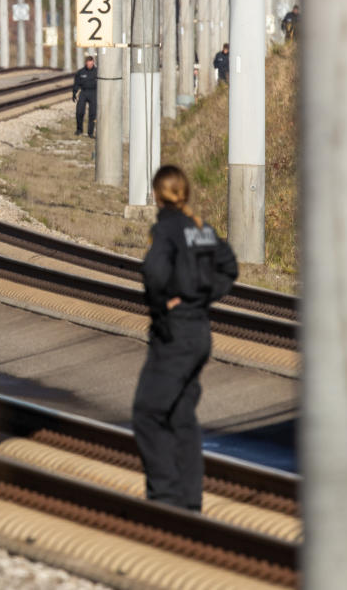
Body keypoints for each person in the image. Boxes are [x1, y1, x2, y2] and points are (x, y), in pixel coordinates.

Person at [133, 165, 238, 511]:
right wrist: (204, 296)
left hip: (175, 333)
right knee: (181, 416)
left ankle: (164, 497)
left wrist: (164, 305)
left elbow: (154, 272)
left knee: (148, 413)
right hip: (199, 332)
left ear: (157, 194)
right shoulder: (201, 228)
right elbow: (230, 266)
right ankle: (189, 500)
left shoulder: (166, 229)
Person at [72, 55, 98, 137]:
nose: (89, 65)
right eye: (88, 64)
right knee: (79, 112)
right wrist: (74, 93)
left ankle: (90, 132)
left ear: (93, 63)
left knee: (93, 114)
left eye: (91, 64)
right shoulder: (81, 72)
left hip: (94, 92)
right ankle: (79, 129)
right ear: (86, 63)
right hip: (84, 92)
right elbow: (76, 84)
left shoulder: (97, 71)